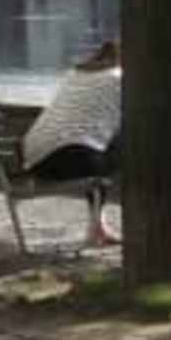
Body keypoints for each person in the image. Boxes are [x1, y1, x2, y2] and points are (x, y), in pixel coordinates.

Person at [22, 38, 123, 247]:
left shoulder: (75, 74)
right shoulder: (119, 78)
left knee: (96, 146)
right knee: (119, 150)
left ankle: (98, 225)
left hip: (35, 160)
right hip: (68, 158)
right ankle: (98, 227)